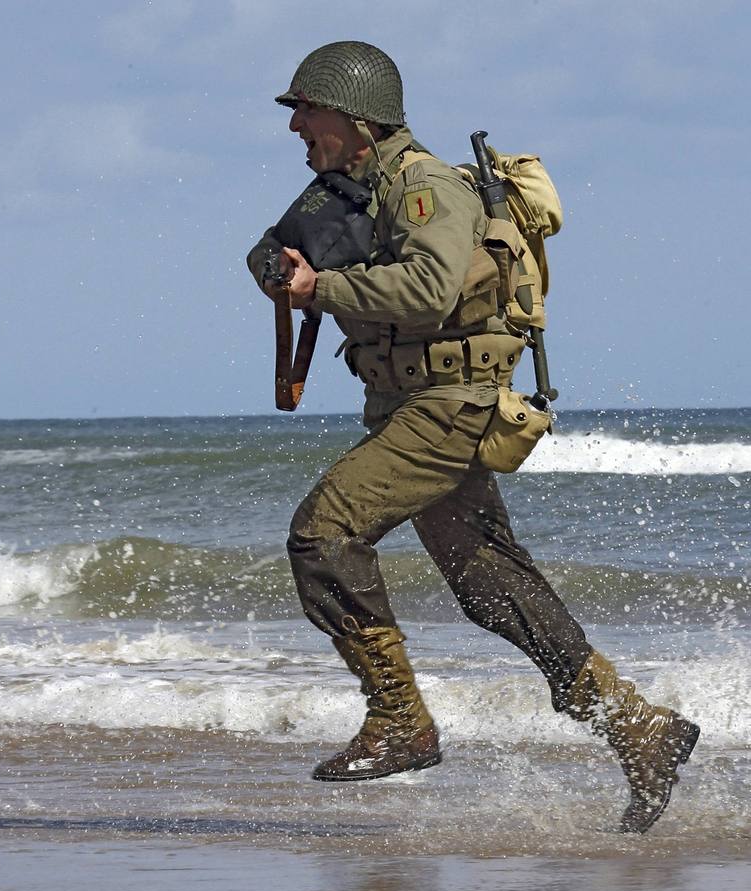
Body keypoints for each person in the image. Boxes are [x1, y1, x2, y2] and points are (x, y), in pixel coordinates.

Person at [246, 41, 698, 833]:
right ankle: (639, 727)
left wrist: (322, 287)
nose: (296, 128)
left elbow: (424, 292)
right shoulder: (349, 193)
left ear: (354, 117)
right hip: (406, 405)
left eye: (306, 111)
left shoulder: (425, 189)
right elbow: (313, 262)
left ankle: (399, 721)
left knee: (323, 534)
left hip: (446, 405)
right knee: (494, 591)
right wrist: (278, 268)